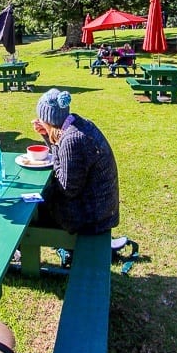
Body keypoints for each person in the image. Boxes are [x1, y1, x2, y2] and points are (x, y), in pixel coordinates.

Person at [31, 88, 119, 266]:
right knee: (43, 199)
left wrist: (51, 142)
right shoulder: (78, 124)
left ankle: (27, 254)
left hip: (92, 218)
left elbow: (68, 188)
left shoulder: (72, 140)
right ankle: (65, 247)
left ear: (48, 119)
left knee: (32, 209)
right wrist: (47, 136)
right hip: (101, 209)